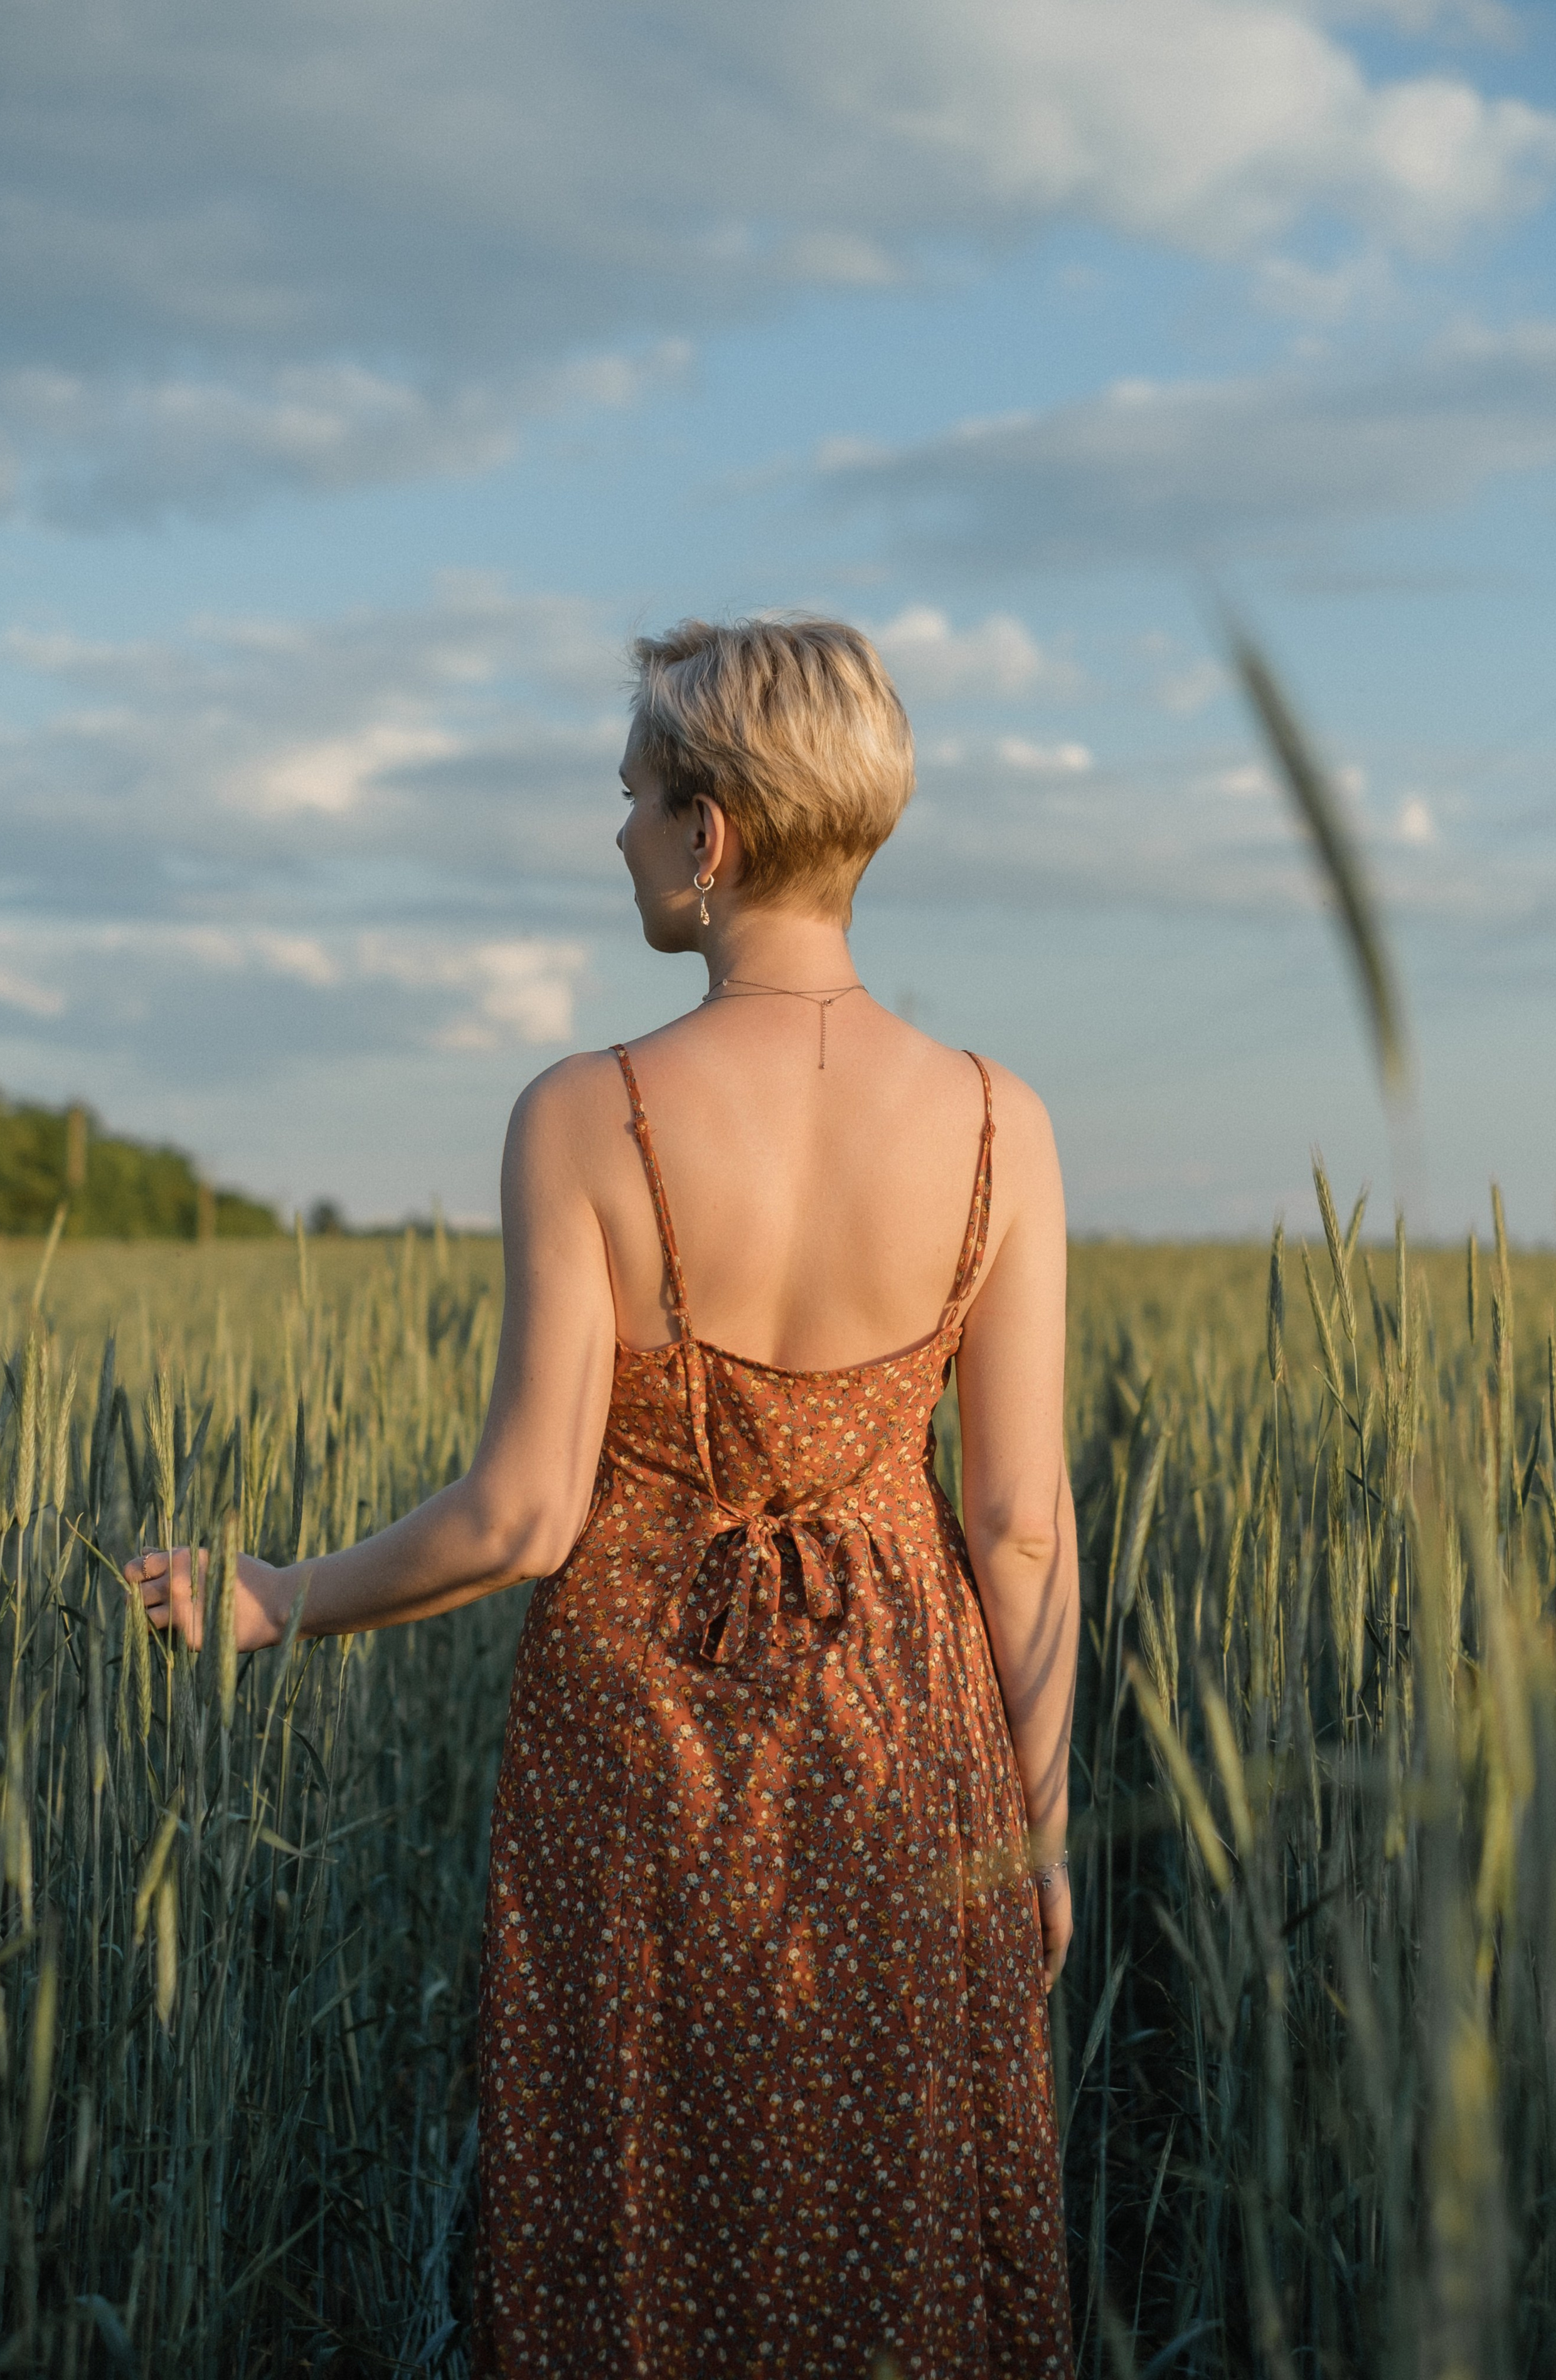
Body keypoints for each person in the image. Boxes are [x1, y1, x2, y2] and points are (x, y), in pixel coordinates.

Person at [126, 615, 1079, 2378]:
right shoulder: (1003, 1126)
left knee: (633, 2213)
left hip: (629, 1768)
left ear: (712, 835)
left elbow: (519, 1516)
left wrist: (274, 1598)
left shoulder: (588, 1115)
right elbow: (1018, 1526)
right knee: (895, 2229)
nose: (620, 834)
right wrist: (1033, 1833)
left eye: (634, 797)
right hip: (912, 1746)